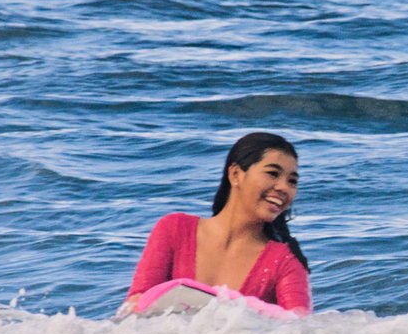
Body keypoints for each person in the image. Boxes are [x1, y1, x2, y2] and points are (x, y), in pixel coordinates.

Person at [125, 131, 311, 314]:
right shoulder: (174, 230)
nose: (283, 187)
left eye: (292, 181)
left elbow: (300, 330)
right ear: (235, 174)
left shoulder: (285, 262)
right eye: (272, 173)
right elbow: (134, 306)